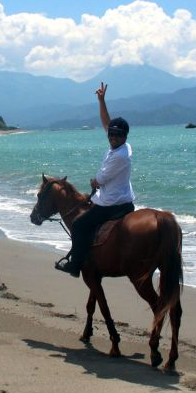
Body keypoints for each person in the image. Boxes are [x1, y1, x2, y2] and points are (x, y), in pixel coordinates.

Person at [55, 82, 135, 277]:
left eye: (117, 135)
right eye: (112, 134)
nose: (113, 137)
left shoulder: (120, 156)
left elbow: (100, 179)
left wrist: (94, 182)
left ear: (124, 137)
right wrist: (101, 100)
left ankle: (75, 266)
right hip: (125, 200)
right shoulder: (122, 146)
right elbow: (107, 122)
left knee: (79, 225)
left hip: (112, 204)